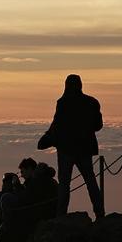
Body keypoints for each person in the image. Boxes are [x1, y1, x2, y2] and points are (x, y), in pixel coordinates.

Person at [39, 74, 105, 220]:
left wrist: (47, 137)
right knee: (91, 181)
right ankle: (100, 214)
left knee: (64, 185)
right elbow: (98, 126)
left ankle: (61, 216)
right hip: (85, 149)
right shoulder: (92, 102)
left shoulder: (63, 103)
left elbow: (57, 125)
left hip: (66, 150)